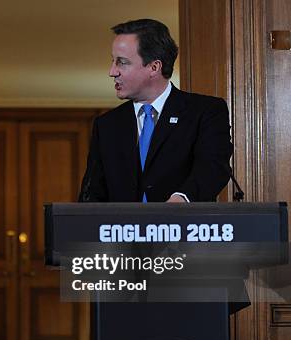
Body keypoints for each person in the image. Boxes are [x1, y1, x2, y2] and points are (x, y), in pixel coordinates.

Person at [79, 19, 233, 203]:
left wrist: (181, 200)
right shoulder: (107, 125)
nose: (112, 72)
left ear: (154, 67)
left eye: (122, 62)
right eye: (113, 61)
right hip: (123, 230)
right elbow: (92, 193)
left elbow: (214, 168)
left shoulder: (205, 112)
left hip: (183, 227)